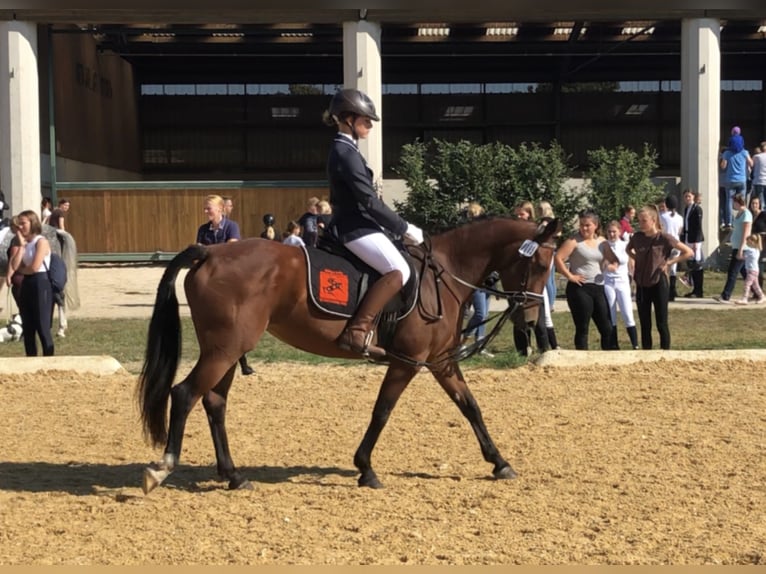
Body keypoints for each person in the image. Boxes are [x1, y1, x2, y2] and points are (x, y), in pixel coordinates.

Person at [323, 88, 424, 359]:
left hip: (362, 224)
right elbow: (368, 201)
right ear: (347, 119)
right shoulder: (345, 152)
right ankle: (357, 330)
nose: (369, 124)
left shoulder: (349, 150)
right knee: (398, 269)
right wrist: (404, 228)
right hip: (354, 227)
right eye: (365, 119)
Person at [195, 195, 254, 376]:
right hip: (212, 280)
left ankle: (242, 360)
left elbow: (231, 251)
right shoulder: (203, 229)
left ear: (220, 209)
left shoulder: (231, 227)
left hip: (229, 281)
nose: (206, 211)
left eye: (209, 208)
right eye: (205, 208)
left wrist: (209, 252)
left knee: (233, 322)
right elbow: (199, 252)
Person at [627, 204, 693, 350]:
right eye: (639, 221)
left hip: (659, 283)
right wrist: (636, 258)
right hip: (642, 283)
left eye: (644, 221)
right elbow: (628, 249)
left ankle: (665, 351)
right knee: (645, 323)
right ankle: (646, 352)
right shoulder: (637, 237)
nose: (641, 224)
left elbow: (688, 252)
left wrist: (669, 262)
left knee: (661, 322)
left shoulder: (663, 238)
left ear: (653, 220)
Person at [554, 209, 615, 351]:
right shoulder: (574, 241)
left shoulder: (602, 242)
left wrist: (611, 265)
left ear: (596, 225)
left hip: (598, 287)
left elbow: (613, 259)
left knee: (606, 327)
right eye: (581, 225)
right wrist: (570, 276)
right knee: (582, 327)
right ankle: (582, 357)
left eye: (587, 225)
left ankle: (607, 355)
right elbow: (558, 258)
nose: (584, 228)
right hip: (580, 287)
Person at [9, 210, 55, 356]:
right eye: (19, 225)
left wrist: (23, 270)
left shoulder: (41, 241)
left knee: (42, 325)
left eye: (23, 224)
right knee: (28, 326)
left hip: (41, 283)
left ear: (32, 223)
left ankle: (49, 359)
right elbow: (15, 265)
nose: (20, 227)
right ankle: (31, 359)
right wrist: (21, 246)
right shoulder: (26, 244)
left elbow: (35, 267)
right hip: (27, 283)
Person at [461, 202, 494, 357]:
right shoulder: (468, 237)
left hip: (487, 279)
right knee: (480, 313)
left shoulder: (486, 237)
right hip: (474, 280)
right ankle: (462, 342)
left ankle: (479, 345)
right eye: (472, 215)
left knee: (485, 314)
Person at [603, 220, 639, 350]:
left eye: (614, 232)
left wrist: (633, 278)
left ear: (619, 232)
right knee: (611, 314)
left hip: (622, 282)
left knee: (627, 313)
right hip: (608, 282)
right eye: (609, 232)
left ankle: (635, 344)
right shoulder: (603, 245)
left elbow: (631, 263)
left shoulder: (625, 245)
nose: (612, 234)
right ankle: (614, 344)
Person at [714, 193, 753, 303]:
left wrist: (741, 249)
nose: (733, 204)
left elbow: (746, 233)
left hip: (743, 247)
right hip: (736, 246)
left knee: (733, 271)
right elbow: (734, 230)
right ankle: (757, 292)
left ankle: (726, 295)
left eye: (734, 202)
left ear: (738, 202)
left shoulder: (746, 214)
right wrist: (724, 242)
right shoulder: (738, 214)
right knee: (745, 273)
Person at [720, 134, 753, 229]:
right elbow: (751, 163)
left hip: (730, 180)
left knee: (729, 201)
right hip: (742, 180)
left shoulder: (726, 153)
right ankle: (742, 219)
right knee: (741, 201)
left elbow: (723, 166)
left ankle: (729, 223)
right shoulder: (744, 152)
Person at [680, 189, 705, 298]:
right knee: (690, 262)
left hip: (695, 239)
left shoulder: (697, 209)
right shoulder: (687, 209)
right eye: (685, 196)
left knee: (697, 263)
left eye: (689, 196)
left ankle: (698, 290)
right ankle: (693, 287)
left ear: (693, 197)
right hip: (687, 237)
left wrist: (696, 241)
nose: (687, 199)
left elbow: (698, 226)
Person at [658, 195, 684, 301]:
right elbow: (679, 231)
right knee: (673, 268)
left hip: (665, 244)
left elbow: (660, 228)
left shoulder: (663, 216)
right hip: (676, 244)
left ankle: (664, 290)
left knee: (663, 267)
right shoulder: (680, 218)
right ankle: (672, 292)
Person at [734, 234, 764, 305]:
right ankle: (762, 296)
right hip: (754, 270)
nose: (746, 243)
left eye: (747, 242)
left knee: (747, 284)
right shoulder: (757, 250)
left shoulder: (750, 251)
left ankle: (745, 298)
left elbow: (742, 257)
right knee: (755, 285)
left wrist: (739, 255)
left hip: (751, 270)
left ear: (752, 242)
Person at [5, 215, 24, 310]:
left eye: (11, 225)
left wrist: (8, 275)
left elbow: (13, 258)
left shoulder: (15, 240)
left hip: (18, 275)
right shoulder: (27, 237)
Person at [752, 142, 766, 208]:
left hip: (758, 181)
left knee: (760, 202)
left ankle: (762, 216)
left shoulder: (756, 157)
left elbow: (751, 165)